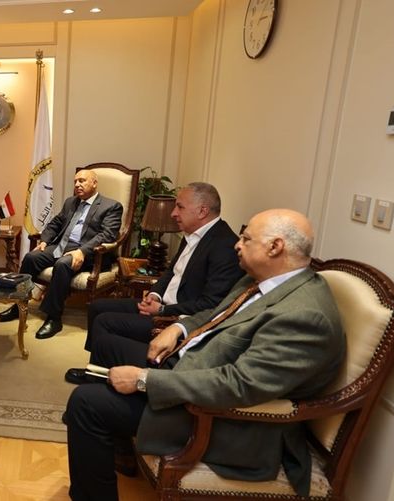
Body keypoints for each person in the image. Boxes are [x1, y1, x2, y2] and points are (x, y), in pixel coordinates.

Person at [63, 209, 346, 501]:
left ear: (275, 247)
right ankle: (118, 445)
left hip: (224, 420)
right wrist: (179, 328)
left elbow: (239, 385)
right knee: (108, 345)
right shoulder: (263, 280)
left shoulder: (304, 316)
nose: (237, 244)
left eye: (246, 239)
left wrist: (145, 380)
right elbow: (216, 314)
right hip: (194, 365)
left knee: (86, 403)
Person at [65, 182, 243, 384]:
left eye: (180, 207)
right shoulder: (192, 233)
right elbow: (170, 272)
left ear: (202, 211)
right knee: (97, 307)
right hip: (163, 305)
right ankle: (98, 366)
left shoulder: (224, 246)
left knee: (105, 321)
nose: (173, 213)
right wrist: (154, 294)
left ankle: (101, 375)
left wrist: (162, 310)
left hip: (176, 317)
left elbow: (211, 304)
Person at [0, 169, 122, 339]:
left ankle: (54, 318)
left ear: (94, 183)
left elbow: (107, 235)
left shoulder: (111, 206)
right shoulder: (71, 202)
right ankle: (19, 306)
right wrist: (44, 241)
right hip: (61, 246)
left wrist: (82, 251)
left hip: (89, 253)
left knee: (62, 264)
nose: (77, 184)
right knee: (31, 258)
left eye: (82, 181)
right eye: (75, 181)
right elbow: (55, 224)